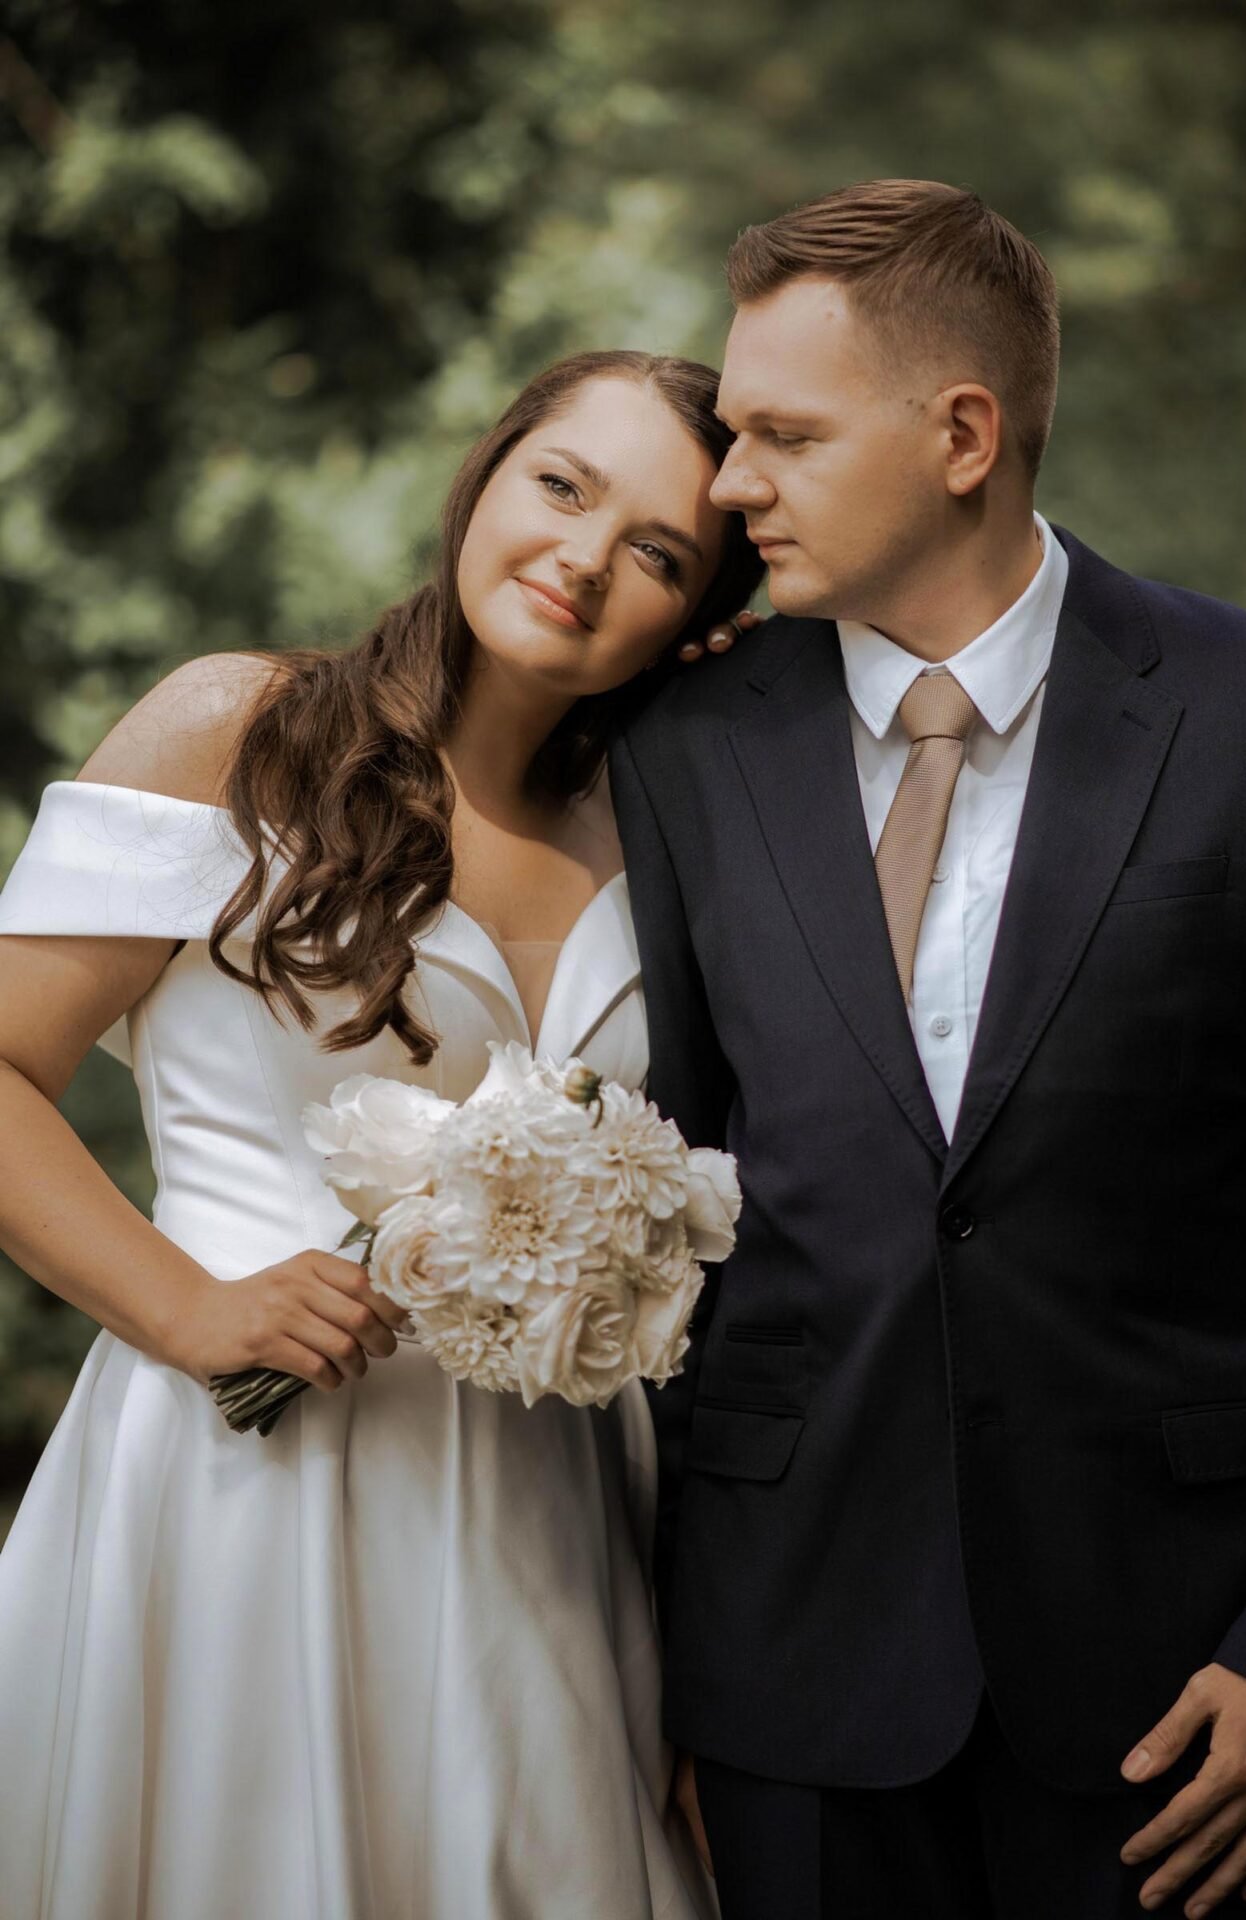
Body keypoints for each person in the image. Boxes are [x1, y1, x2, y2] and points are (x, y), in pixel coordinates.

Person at [0, 347, 761, 1919]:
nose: (581, 558)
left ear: (698, 612)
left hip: (556, 1526)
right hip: (240, 1484)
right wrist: (190, 1308)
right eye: (562, 485)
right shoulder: (239, 728)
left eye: (658, 553)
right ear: (486, 473)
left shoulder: (675, 832)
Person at [610, 180, 1246, 1919]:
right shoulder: (685, 743)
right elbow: (677, 1192)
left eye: (781, 433)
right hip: (789, 1674)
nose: (729, 478)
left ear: (962, 432)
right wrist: (672, 1674)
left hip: (1185, 1690)